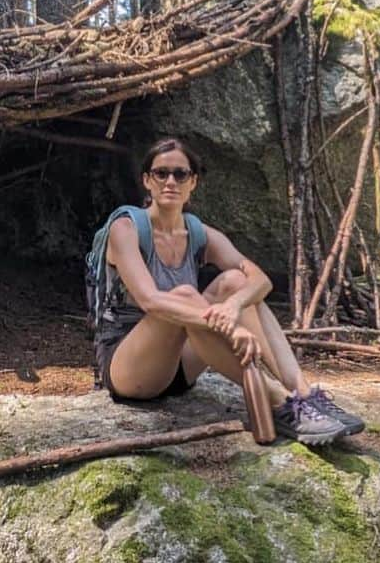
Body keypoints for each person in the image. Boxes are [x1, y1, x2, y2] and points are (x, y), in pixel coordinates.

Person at [94, 136, 364, 445]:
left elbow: (260, 280)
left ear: (193, 182)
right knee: (184, 295)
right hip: (130, 368)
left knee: (237, 282)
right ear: (147, 180)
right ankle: (276, 400)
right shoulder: (125, 229)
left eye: (180, 174)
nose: (171, 181)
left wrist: (233, 306)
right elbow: (150, 300)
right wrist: (227, 329)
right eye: (161, 173)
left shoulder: (198, 232)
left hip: (181, 368)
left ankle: (301, 393)